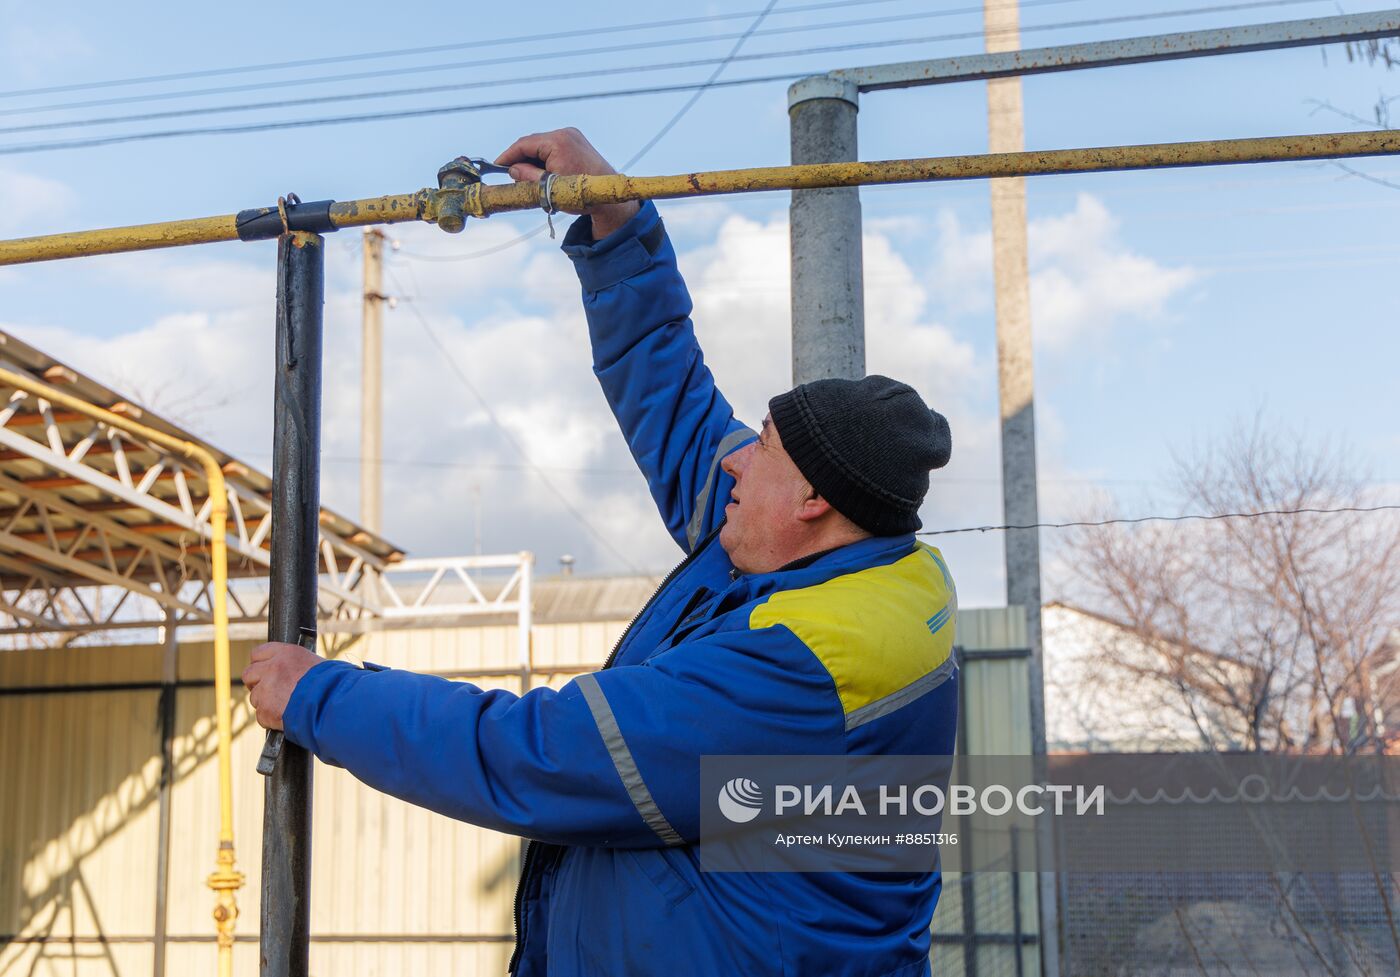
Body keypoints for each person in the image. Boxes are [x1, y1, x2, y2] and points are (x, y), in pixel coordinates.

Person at [243, 128, 958, 977]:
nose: (735, 457)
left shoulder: (800, 666)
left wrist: (318, 697)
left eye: (761, 445)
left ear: (811, 500)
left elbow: (538, 755)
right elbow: (678, 402)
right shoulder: (825, 558)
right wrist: (617, 219)